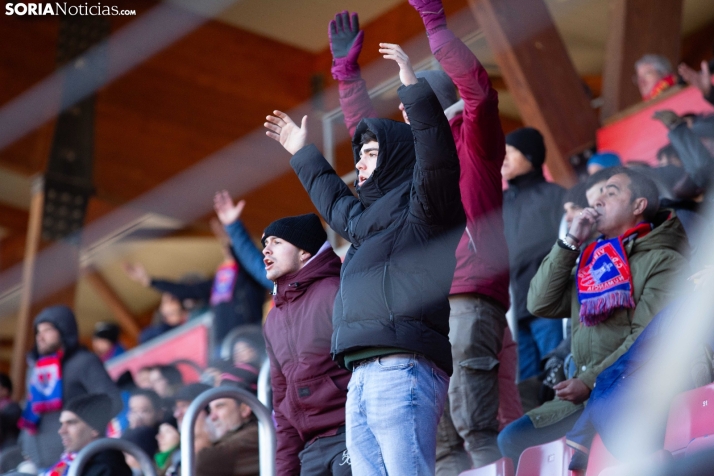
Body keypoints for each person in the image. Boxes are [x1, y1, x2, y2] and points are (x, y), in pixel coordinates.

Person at [328, 5, 521, 470]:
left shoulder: (472, 137)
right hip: (417, 312)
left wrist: (435, 25)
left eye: (411, 102)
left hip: (468, 292)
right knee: (439, 445)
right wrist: (346, 74)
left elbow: (478, 89)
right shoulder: (401, 167)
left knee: (474, 424)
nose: (402, 110)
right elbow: (364, 136)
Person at [264, 40, 465, 474]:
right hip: (361, 372)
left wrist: (413, 90)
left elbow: (436, 160)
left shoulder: (426, 206)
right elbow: (333, 200)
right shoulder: (366, 221)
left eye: (371, 153)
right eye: (359, 156)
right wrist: (302, 151)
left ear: (397, 158)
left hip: (402, 366)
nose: (360, 164)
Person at [497, 167, 689, 465]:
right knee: (511, 439)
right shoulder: (593, 261)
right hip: (584, 397)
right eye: (598, 193)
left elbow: (648, 337)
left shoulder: (664, 259)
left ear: (638, 206)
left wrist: (588, 380)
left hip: (628, 388)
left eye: (611, 193)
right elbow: (539, 303)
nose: (598, 200)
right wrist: (571, 243)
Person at [215, 199, 353, 476]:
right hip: (310, 447)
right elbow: (281, 401)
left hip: (350, 432)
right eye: (265, 242)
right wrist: (286, 469)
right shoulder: (274, 319)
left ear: (304, 252)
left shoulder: (334, 292)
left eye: (276, 242)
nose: (266, 248)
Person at [123, 218, 266, 347]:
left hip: (249, 339)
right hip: (223, 345)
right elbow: (186, 290)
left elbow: (245, 258)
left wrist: (229, 236)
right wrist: (149, 281)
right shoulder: (221, 279)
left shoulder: (251, 273)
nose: (225, 249)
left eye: (229, 245)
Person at [18, 305, 123, 470]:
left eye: (46, 330)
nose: (40, 337)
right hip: (39, 464)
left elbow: (112, 400)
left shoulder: (84, 361)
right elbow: (30, 410)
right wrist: (25, 444)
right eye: (38, 332)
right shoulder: (34, 369)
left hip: (79, 461)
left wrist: (88, 433)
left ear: (64, 330)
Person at [502, 126, 566, 380]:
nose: (502, 157)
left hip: (548, 306)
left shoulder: (556, 196)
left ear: (530, 156)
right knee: (525, 387)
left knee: (559, 375)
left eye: (511, 151)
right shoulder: (498, 202)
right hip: (512, 312)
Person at [46, 394, 131, 476]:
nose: (61, 431)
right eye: (62, 424)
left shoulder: (109, 468)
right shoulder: (70, 462)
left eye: (71, 423)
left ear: (94, 429)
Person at [195, 389, 259, 476]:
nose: (212, 417)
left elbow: (202, 463)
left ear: (244, 409)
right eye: (210, 410)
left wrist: (203, 438)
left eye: (220, 406)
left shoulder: (255, 435)